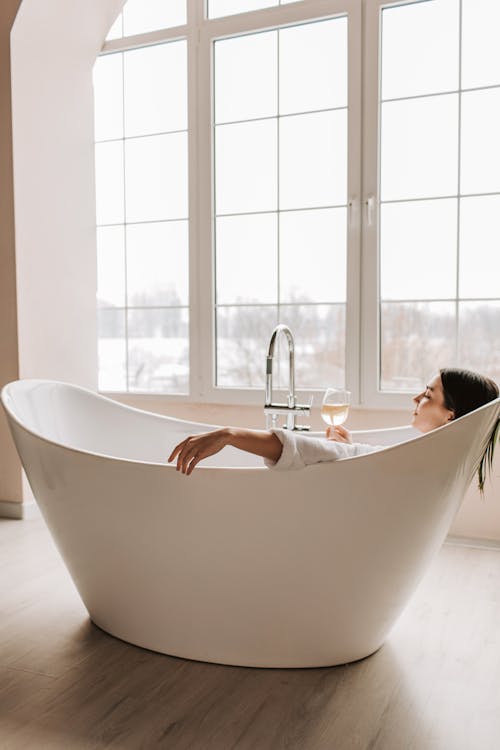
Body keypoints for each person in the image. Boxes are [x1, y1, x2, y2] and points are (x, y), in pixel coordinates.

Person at [168, 368, 499, 489]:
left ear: (451, 416)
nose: (416, 397)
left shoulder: (418, 459)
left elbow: (308, 450)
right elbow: (368, 461)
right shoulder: (428, 459)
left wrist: (229, 435)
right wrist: (352, 452)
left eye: (428, 395)